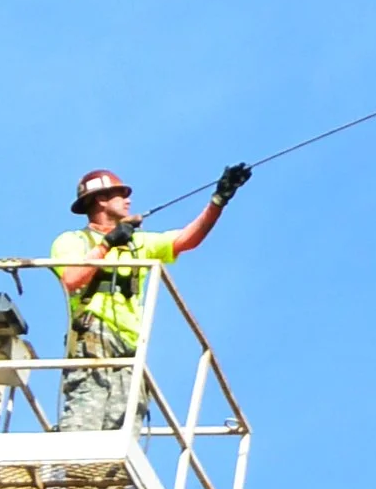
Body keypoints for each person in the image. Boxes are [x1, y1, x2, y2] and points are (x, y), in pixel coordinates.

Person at [52, 163, 249, 432]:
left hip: (130, 346)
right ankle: (74, 456)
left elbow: (186, 239)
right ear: (101, 199)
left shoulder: (138, 244)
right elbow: (72, 278)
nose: (128, 200)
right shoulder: (72, 241)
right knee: (85, 418)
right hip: (93, 339)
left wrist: (218, 201)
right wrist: (108, 243)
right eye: (121, 194)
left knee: (125, 424)